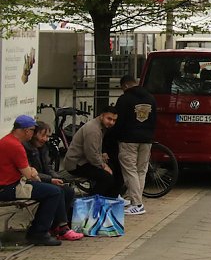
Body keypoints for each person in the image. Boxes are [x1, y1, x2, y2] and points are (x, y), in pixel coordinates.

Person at [1, 116, 78, 245]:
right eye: (32, 130)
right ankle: (39, 232)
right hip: (8, 187)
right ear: (27, 130)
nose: (32, 134)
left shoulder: (7, 141)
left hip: (10, 184)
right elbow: (29, 174)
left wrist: (32, 171)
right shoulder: (15, 145)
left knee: (56, 190)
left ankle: (53, 227)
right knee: (53, 192)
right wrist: (33, 171)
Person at [23, 121, 82, 240]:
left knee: (68, 191)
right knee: (56, 191)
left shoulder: (43, 148)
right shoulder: (26, 148)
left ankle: (56, 225)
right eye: (43, 135)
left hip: (42, 178)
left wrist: (56, 177)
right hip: (31, 180)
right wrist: (51, 180)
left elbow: (48, 167)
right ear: (34, 134)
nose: (45, 139)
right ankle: (62, 227)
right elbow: (29, 172)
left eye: (47, 136)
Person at [114, 75, 157, 215]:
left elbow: (118, 121)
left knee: (130, 170)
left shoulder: (124, 99)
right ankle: (132, 199)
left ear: (125, 86)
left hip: (128, 140)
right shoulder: (151, 98)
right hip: (146, 140)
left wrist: (116, 136)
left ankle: (137, 204)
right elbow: (155, 120)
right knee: (141, 171)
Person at [63, 106, 120, 197]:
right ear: (102, 116)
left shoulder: (100, 126)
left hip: (84, 161)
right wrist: (103, 166)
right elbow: (91, 155)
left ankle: (110, 198)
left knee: (114, 168)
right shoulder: (93, 129)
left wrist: (102, 156)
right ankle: (93, 201)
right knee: (106, 177)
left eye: (114, 120)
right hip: (76, 164)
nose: (111, 122)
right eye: (109, 119)